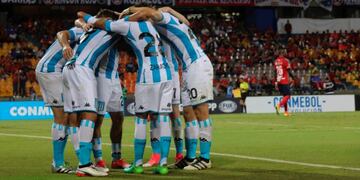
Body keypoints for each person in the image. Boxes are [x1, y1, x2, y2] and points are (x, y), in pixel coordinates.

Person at [122, 6, 214, 170]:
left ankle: (205, 158)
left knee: (201, 111)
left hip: (197, 65)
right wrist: (171, 10)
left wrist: (130, 11)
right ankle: (191, 157)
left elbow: (148, 13)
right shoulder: (176, 21)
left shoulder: (163, 18)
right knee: (188, 113)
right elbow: (185, 21)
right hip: (186, 68)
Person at [84, 9, 173, 175]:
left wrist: (89, 18)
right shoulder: (150, 24)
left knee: (140, 118)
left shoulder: (126, 26)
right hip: (166, 74)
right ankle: (163, 164)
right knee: (163, 118)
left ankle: (138, 163)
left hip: (148, 77)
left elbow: (104, 23)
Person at [63, 10, 121, 176]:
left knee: (77, 115)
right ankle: (84, 164)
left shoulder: (90, 29)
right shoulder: (111, 29)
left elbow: (79, 18)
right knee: (90, 114)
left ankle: (85, 163)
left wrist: (82, 23)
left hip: (69, 67)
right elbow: (80, 15)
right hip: (83, 69)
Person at [35, 26, 84, 174]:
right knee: (61, 116)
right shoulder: (83, 31)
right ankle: (57, 163)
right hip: (50, 70)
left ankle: (68, 160)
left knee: (69, 115)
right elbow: (61, 33)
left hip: (59, 72)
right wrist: (66, 45)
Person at [143, 40, 184, 167]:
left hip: (171, 73)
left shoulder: (165, 25)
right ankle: (156, 155)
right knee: (153, 114)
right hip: (154, 73)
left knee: (174, 114)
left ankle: (179, 154)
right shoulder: (148, 29)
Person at [274, 51, 294, 116]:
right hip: (284, 81)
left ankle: (286, 112)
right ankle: (279, 105)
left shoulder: (276, 61)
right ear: (283, 54)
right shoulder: (285, 60)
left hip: (278, 81)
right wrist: (293, 77)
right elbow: (288, 70)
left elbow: (275, 72)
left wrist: (276, 82)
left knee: (284, 96)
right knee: (288, 95)